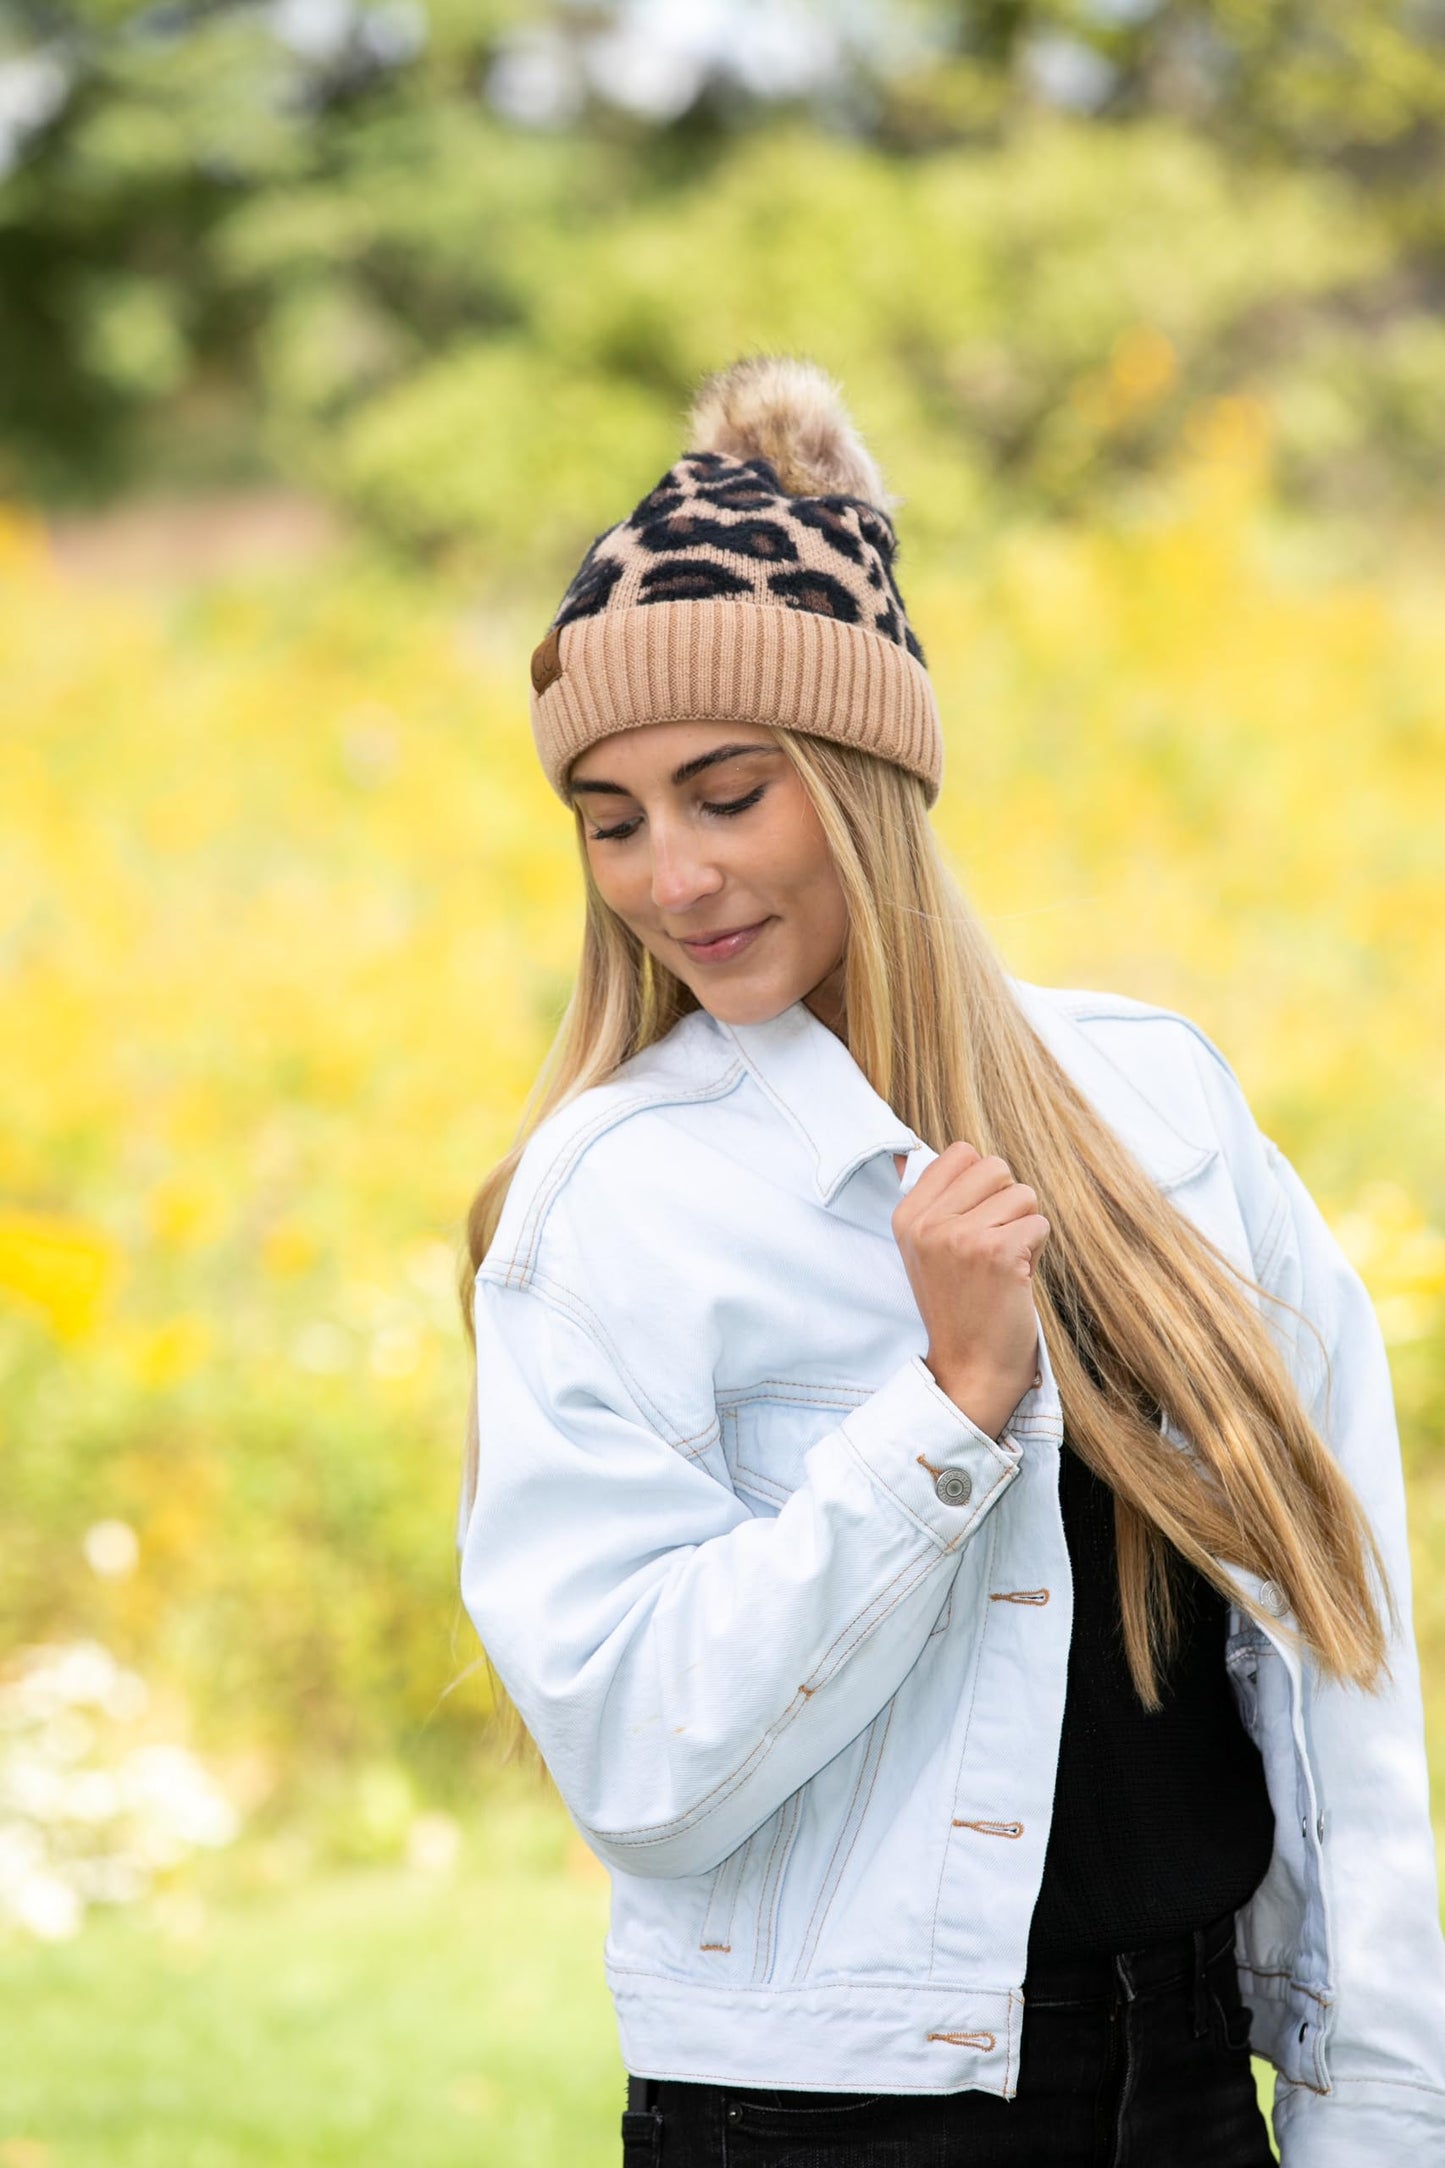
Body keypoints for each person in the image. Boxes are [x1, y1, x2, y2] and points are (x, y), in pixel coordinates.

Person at [454, 353, 1445, 2165]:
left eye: (724, 793)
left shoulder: (1161, 1104)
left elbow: (1331, 1630)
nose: (671, 878)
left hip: (1190, 2084)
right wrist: (944, 1408)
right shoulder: (610, 1198)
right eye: (613, 820)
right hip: (830, 2118)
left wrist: (1377, 2101)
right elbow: (636, 1758)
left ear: (867, 775)